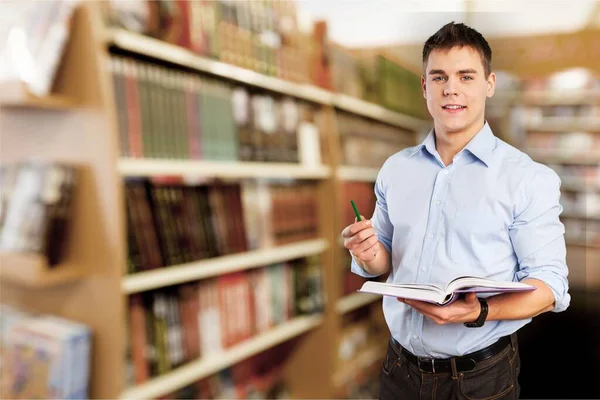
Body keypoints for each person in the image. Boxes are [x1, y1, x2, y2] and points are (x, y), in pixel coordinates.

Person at [341, 21, 570, 400]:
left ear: (489, 84)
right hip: (398, 370)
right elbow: (383, 262)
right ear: (425, 86)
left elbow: (550, 289)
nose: (452, 89)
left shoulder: (526, 178)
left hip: (480, 379)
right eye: (440, 77)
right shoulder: (396, 169)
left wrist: (476, 312)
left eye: (466, 76)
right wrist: (367, 253)